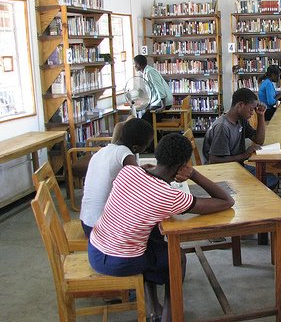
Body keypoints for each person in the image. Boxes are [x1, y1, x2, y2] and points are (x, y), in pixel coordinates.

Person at [88, 133, 234, 321]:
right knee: (177, 256)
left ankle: (153, 307)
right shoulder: (169, 197)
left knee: (154, 236)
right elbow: (226, 201)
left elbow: (146, 174)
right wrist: (194, 174)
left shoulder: (128, 172)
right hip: (122, 262)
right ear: (182, 165)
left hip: (95, 250)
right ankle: (169, 315)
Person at [80, 118, 154, 237]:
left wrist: (141, 169)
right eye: (147, 146)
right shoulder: (124, 153)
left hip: (87, 222)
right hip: (104, 229)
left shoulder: (101, 152)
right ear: (135, 148)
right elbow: (143, 185)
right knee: (150, 224)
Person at [203, 87, 278, 189]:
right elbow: (214, 160)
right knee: (267, 182)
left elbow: (259, 140)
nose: (252, 113)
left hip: (235, 166)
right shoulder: (223, 127)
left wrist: (261, 116)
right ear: (240, 105)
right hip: (221, 172)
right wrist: (245, 155)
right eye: (251, 110)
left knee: (271, 178)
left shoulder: (241, 120)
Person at [133, 54, 173, 123]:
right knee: (148, 121)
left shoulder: (150, 72)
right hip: (157, 103)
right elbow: (152, 91)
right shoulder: (145, 72)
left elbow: (159, 88)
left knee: (144, 122)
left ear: (139, 64)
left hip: (163, 104)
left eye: (135, 64)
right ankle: (155, 134)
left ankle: (154, 133)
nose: (134, 66)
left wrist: (163, 107)